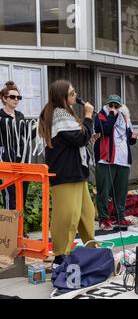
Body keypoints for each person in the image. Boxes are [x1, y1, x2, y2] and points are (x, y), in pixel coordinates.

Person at [38, 80, 96, 267]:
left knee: (86, 213)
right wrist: (88, 116)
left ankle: (91, 249)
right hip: (64, 173)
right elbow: (80, 138)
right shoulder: (57, 115)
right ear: (62, 96)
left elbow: (81, 137)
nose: (75, 95)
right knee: (67, 215)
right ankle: (60, 255)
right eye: (72, 93)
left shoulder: (65, 114)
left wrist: (88, 130)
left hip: (76, 171)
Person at [93, 95, 138, 231]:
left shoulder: (124, 118)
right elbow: (105, 129)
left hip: (123, 160)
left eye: (116, 106)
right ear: (107, 105)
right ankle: (104, 219)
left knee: (121, 191)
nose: (113, 108)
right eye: (111, 105)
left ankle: (120, 217)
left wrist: (133, 138)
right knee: (104, 191)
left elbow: (128, 138)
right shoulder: (101, 115)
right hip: (106, 159)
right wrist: (112, 116)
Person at [0, 81, 36, 210]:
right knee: (9, 195)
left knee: (22, 194)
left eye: (18, 97)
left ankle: (20, 228)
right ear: (4, 98)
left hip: (22, 161)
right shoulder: (0, 116)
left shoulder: (20, 116)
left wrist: (38, 127)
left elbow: (27, 136)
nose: (16, 100)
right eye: (12, 97)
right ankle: (11, 229)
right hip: (6, 161)